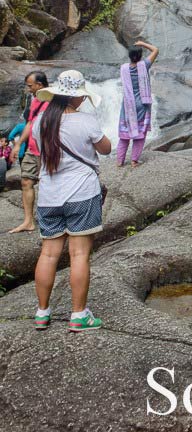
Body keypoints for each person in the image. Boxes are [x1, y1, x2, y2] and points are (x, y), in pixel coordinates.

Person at [31, 69, 111, 332]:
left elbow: (40, 152)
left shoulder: (40, 121)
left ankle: (42, 313)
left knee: (48, 253)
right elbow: (106, 148)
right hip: (82, 195)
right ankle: (79, 316)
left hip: (49, 196)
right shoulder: (85, 121)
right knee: (79, 254)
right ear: (76, 96)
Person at [8, 71, 49, 233]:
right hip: (32, 148)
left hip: (46, 150)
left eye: (30, 86)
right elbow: (30, 124)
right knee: (26, 181)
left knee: (48, 184)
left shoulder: (53, 100)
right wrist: (18, 144)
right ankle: (28, 221)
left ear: (40, 85)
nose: (28, 89)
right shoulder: (35, 101)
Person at [117, 40, 159, 167]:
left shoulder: (124, 68)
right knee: (140, 134)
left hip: (128, 105)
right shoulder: (144, 65)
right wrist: (143, 43)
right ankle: (134, 160)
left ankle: (120, 161)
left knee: (125, 134)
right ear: (140, 56)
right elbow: (156, 50)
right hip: (142, 104)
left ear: (129, 56)